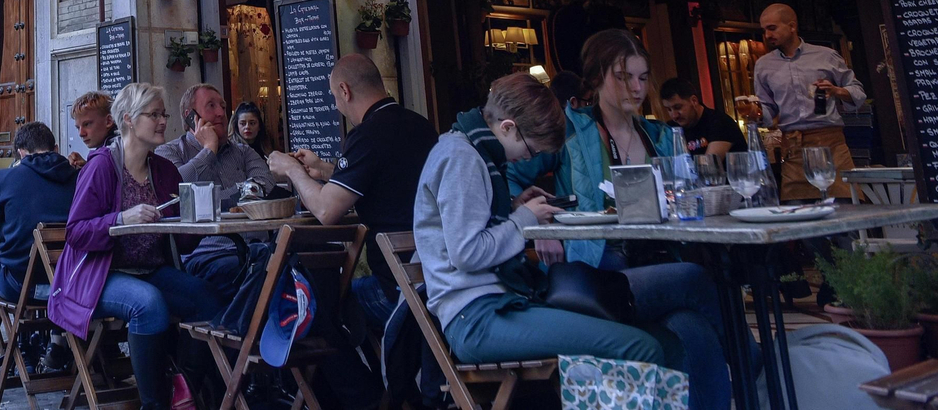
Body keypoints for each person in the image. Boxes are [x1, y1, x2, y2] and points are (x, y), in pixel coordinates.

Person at [509, 29, 737, 410]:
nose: (637, 87)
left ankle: (745, 370)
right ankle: (754, 361)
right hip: (597, 266)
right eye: (624, 76)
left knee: (694, 332)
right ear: (597, 78)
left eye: (643, 77)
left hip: (657, 261)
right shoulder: (571, 129)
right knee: (694, 280)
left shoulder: (660, 136)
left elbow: (687, 193)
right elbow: (512, 173)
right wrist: (537, 225)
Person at [415, 73, 664, 370]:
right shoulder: (461, 158)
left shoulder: (471, 151)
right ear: (508, 128)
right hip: (478, 318)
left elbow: (469, 225)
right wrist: (524, 218)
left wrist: (511, 206)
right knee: (641, 346)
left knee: (660, 339)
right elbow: (467, 253)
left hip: (498, 306)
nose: (525, 160)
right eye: (530, 151)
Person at [48, 82, 224, 410]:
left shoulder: (164, 170)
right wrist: (120, 219)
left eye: (163, 114)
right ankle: (154, 404)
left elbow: (181, 240)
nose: (162, 122)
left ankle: (182, 389)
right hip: (99, 276)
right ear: (129, 119)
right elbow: (76, 232)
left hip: (150, 270)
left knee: (208, 298)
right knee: (149, 304)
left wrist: (198, 220)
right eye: (153, 114)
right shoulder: (101, 166)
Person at [267, 54, 436, 307]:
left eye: (334, 97)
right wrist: (324, 170)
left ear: (344, 91)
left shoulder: (366, 135)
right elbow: (386, 178)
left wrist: (292, 170)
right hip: (434, 278)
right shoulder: (421, 125)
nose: (336, 105)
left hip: (396, 290)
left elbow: (326, 211)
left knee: (323, 303)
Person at [0, 121, 77, 400]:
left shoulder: (9, 178)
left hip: (21, 286)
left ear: (21, 154)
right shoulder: (78, 177)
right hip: (70, 288)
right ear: (56, 148)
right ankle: (57, 345)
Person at [157, 84, 276, 300]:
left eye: (222, 106)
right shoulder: (169, 152)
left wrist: (215, 197)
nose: (221, 112)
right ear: (191, 116)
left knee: (304, 263)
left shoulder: (242, 151)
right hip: (209, 254)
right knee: (240, 273)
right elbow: (177, 190)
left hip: (258, 248)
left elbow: (265, 181)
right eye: (211, 106)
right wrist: (208, 151)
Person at [749, 3, 864, 201]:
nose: (767, 35)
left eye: (772, 28)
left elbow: (858, 92)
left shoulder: (826, 55)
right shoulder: (763, 65)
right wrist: (756, 113)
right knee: (797, 210)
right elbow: (767, 108)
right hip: (793, 149)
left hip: (830, 144)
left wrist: (836, 90)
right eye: (764, 30)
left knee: (844, 208)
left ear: (792, 26)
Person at [659, 78, 744, 157]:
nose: (674, 115)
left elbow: (709, 166)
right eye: (669, 110)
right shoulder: (671, 128)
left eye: (678, 107)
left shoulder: (720, 122)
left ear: (694, 101)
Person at [67, 91, 117, 169]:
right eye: (78, 127)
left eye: (87, 124)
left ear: (109, 121)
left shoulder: (106, 156)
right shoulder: (119, 148)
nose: (81, 133)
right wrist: (88, 167)